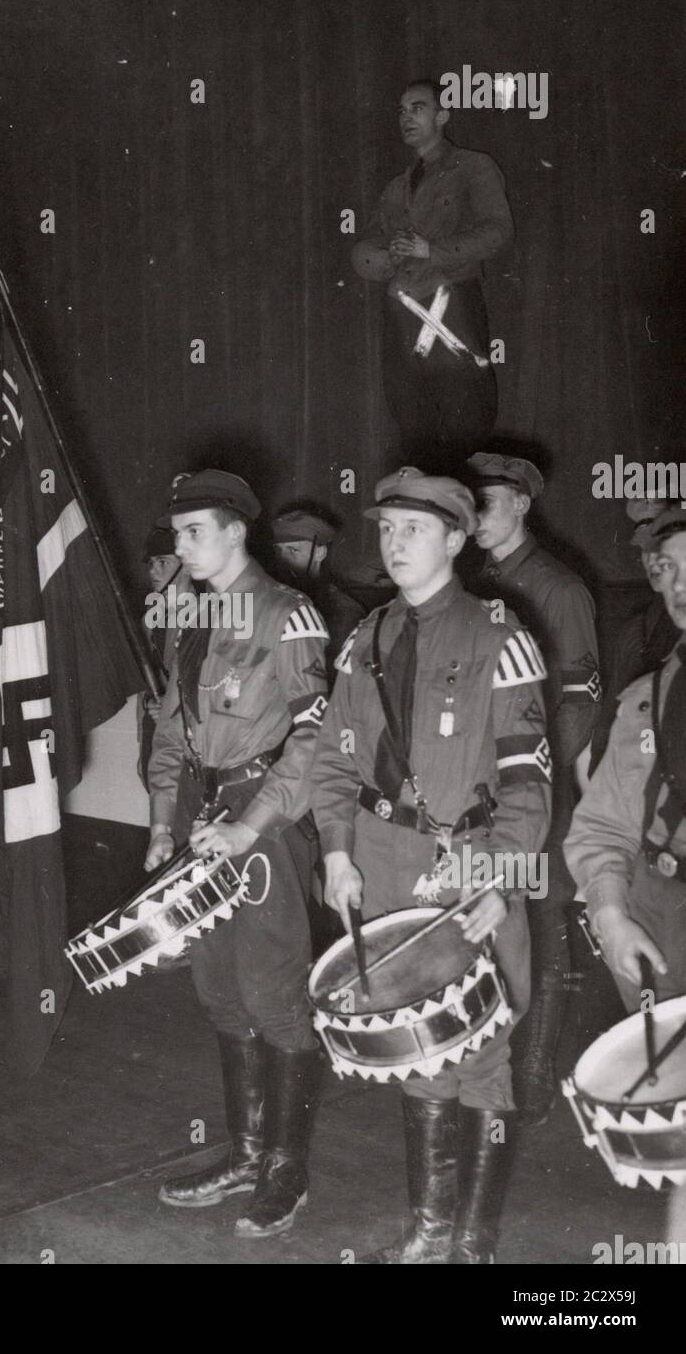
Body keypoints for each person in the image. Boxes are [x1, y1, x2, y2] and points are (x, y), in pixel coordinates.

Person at [312, 467, 551, 1264]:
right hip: (380, 863)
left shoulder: (498, 636)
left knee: (481, 1050)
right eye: (386, 528)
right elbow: (332, 761)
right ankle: (427, 1232)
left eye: (415, 528)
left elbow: (528, 781)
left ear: (455, 539)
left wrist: (502, 879)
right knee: (417, 1044)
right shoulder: (365, 637)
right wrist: (338, 851)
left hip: (468, 864)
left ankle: (474, 1243)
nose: (395, 541)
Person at [145, 469, 329, 1238]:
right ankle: (245, 1153)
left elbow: (317, 739)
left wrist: (249, 829)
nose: (179, 545)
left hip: (263, 826)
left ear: (233, 531)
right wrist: (160, 823)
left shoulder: (287, 616)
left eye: (193, 531)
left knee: (273, 995)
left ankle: (286, 1172)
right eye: (176, 532)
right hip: (200, 819)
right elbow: (168, 728)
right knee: (219, 988)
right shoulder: (189, 617)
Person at [467, 452, 600, 1125]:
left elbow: (577, 702)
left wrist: (537, 782)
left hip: (533, 791)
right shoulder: (470, 582)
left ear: (521, 503)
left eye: (485, 501)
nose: (474, 515)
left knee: (541, 925)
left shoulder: (557, 588)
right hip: (475, 794)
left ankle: (533, 1071)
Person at [352, 80, 513, 469]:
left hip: (450, 303)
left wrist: (432, 250)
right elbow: (368, 246)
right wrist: (384, 255)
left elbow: (498, 230)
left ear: (442, 116)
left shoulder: (473, 167)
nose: (406, 117)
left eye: (418, 107)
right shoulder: (395, 189)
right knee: (412, 424)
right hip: (402, 311)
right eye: (402, 110)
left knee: (464, 421)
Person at [565, 506, 686, 1008]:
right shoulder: (647, 698)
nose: (680, 585)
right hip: (660, 913)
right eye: (669, 568)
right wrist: (611, 915)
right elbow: (604, 824)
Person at [586, 498, 682, 780]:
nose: (651, 561)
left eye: (660, 551)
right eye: (644, 550)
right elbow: (607, 729)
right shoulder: (634, 633)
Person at [271, 507, 365, 677]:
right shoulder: (269, 600)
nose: (283, 559)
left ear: (320, 553)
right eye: (279, 551)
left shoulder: (343, 611)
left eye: (294, 550)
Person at [138, 524, 185, 789]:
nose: (153, 571)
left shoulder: (211, 613)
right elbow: (143, 677)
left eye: (163, 562)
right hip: (155, 729)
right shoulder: (151, 616)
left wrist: (172, 709)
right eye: (151, 563)